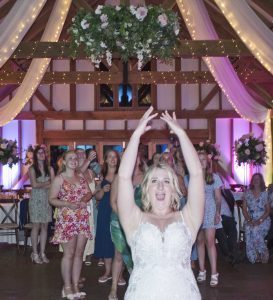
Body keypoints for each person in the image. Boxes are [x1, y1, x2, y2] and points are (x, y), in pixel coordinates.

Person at [117, 107, 204, 300]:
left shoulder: (188, 217)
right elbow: (123, 177)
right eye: (154, 181)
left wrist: (181, 134)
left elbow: (197, 174)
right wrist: (136, 136)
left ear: (174, 189)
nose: (160, 187)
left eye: (166, 181)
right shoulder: (135, 219)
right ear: (146, 188)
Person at [49, 151, 92, 299]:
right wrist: (67, 203)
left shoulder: (81, 177)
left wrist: (83, 200)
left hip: (81, 218)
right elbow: (52, 199)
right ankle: (66, 287)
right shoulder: (59, 179)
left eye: (75, 158)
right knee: (69, 254)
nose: (74, 160)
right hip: (67, 219)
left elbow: (89, 193)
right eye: (70, 158)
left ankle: (75, 285)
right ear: (64, 162)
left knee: (79, 253)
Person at [109, 149, 146, 300]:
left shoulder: (146, 177)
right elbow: (113, 202)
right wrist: (125, 220)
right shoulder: (119, 178)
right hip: (118, 221)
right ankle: (113, 289)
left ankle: (138, 288)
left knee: (139, 256)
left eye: (133, 157)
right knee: (119, 255)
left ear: (138, 159)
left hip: (140, 222)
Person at [94, 150, 120, 283]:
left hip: (118, 210)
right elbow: (97, 196)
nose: (113, 159)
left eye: (115, 157)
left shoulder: (122, 175)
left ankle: (119, 274)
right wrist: (102, 191)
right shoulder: (101, 175)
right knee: (105, 240)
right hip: (104, 210)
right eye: (110, 157)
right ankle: (108, 271)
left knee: (118, 241)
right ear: (106, 160)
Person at [196, 152, 222, 287]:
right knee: (199, 241)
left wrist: (217, 212)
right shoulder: (192, 177)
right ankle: (202, 270)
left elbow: (218, 198)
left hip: (210, 209)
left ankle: (214, 273)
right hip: (196, 211)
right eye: (198, 160)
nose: (201, 162)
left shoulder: (213, 177)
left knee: (210, 241)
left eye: (203, 160)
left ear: (207, 162)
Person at [28, 145, 55, 264]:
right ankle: (34, 253)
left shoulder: (50, 168)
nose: (41, 155)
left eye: (43, 153)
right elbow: (34, 185)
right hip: (36, 199)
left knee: (45, 227)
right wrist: (48, 183)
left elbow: (54, 184)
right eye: (39, 153)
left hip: (47, 199)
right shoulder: (32, 168)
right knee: (36, 226)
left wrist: (42, 183)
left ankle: (42, 252)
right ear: (35, 155)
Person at [242, 173, 271, 263]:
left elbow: (268, 211)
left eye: (258, 179)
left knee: (255, 229)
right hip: (250, 219)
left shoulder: (265, 194)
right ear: (252, 181)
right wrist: (249, 220)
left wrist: (259, 221)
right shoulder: (247, 193)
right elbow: (244, 210)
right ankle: (254, 255)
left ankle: (263, 251)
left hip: (263, 219)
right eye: (254, 179)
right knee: (248, 228)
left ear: (261, 181)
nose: (256, 180)